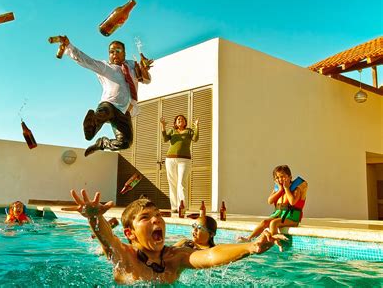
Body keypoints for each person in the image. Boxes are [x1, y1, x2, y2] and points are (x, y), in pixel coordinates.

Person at [70, 189, 285, 285]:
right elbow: (108, 240)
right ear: (130, 233)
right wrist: (94, 219)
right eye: (146, 218)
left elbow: (210, 255)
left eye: (158, 216)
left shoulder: (175, 257)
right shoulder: (125, 257)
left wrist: (251, 247)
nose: (156, 220)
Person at [59, 37, 152, 157]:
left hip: (124, 112)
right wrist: (69, 46)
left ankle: (102, 143)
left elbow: (147, 80)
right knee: (101, 117)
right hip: (109, 105)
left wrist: (143, 68)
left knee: (125, 142)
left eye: (118, 51)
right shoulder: (105, 67)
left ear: (124, 53)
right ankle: (92, 124)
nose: (114, 54)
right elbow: (85, 60)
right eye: (111, 52)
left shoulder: (132, 66)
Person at [237, 165, 308, 250]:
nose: (280, 179)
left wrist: (286, 188)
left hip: (292, 218)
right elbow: (270, 201)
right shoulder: (278, 189)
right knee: (264, 222)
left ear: (290, 177)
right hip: (280, 216)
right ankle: (249, 238)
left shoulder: (297, 189)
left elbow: (292, 202)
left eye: (282, 176)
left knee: (273, 223)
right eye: (277, 177)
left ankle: (277, 242)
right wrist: (280, 190)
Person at [160, 115, 199, 212]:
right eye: (178, 119)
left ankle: (182, 206)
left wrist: (197, 126)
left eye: (182, 119)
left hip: (184, 160)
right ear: (176, 122)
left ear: (185, 122)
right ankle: (174, 207)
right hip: (170, 159)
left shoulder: (189, 131)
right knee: (172, 183)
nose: (180, 120)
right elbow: (165, 139)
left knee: (181, 182)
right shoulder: (172, 131)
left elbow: (195, 139)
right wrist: (163, 127)